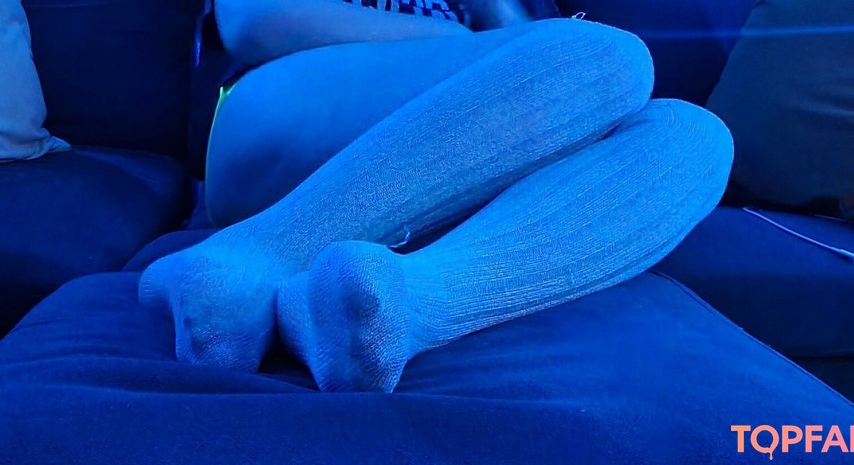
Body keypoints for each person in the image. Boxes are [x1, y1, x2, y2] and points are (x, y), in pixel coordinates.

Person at [138, 0, 733, 393]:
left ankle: (395, 305)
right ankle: (253, 256)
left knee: (695, 137)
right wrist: (465, 42)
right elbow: (256, 19)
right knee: (607, 58)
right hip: (281, 112)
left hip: (458, 180)